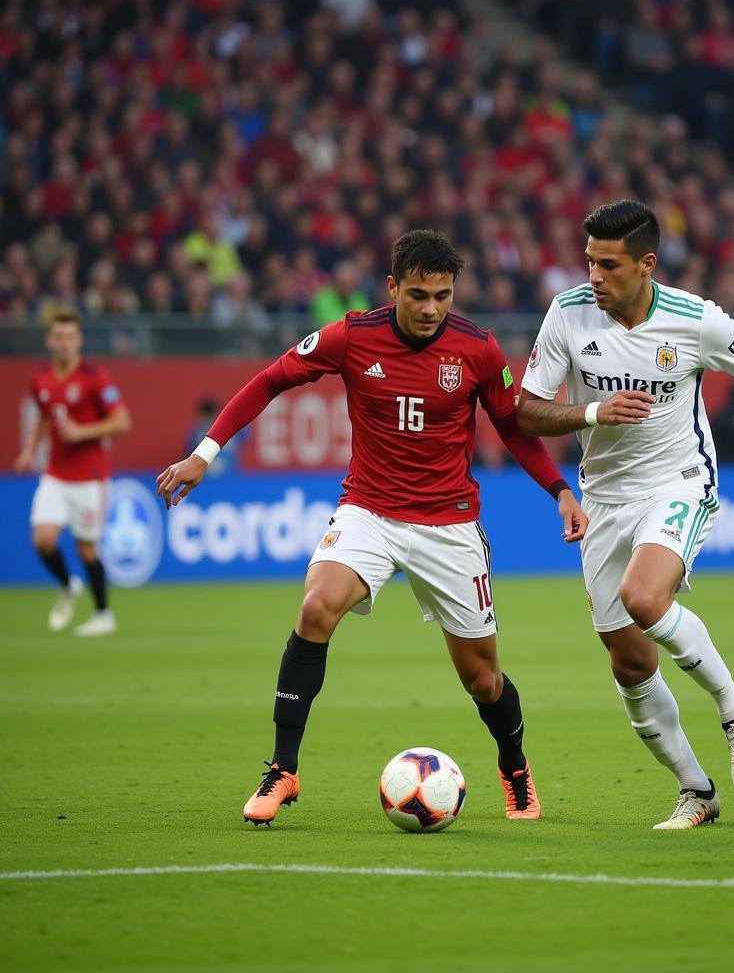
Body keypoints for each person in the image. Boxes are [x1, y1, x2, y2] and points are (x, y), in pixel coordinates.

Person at [156, 230, 587, 826]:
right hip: (370, 511)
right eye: (418, 294)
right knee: (315, 609)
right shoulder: (353, 336)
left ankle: (514, 766)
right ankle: (283, 769)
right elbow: (270, 380)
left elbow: (513, 428)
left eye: (442, 295)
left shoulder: (479, 350)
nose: (431, 308)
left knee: (483, 679)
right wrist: (205, 452)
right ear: (393, 288)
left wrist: (561, 491)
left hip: (449, 525)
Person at [517, 200, 734, 830]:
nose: (594, 275)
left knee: (645, 600)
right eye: (590, 260)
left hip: (678, 483)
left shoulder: (695, 319)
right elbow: (526, 411)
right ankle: (696, 791)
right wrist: (591, 413)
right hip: (603, 500)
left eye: (610, 264)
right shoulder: (568, 314)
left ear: (647, 264)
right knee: (629, 661)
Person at [14, 308, 131, 636]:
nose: (64, 343)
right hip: (55, 474)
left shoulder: (95, 378)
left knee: (86, 550)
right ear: (49, 340)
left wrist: (83, 432)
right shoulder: (41, 380)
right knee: (43, 539)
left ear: (79, 341)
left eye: (70, 337)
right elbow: (42, 416)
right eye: (59, 337)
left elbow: (122, 422)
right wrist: (28, 450)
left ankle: (103, 614)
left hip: (90, 477)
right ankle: (68, 585)